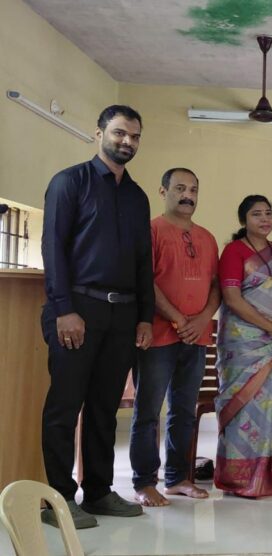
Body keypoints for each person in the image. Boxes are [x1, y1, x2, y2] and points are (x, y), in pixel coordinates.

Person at [40, 105, 154, 529]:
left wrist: (145, 316)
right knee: (65, 406)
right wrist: (64, 309)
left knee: (105, 408)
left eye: (135, 136)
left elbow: (143, 262)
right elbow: (53, 248)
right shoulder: (70, 182)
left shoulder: (137, 196)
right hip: (78, 309)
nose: (127, 141)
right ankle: (57, 499)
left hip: (123, 314)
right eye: (120, 133)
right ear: (99, 133)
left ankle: (100, 491)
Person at [129, 168, 220, 507]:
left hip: (196, 337)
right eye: (180, 188)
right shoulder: (151, 231)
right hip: (157, 335)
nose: (188, 195)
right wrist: (178, 318)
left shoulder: (207, 237)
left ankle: (177, 478)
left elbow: (215, 286)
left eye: (193, 190)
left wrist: (203, 318)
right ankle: (144, 481)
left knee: (184, 411)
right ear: (163, 191)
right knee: (148, 411)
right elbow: (144, 281)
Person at [215, 195, 272, 497]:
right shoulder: (234, 251)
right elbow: (232, 299)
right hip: (243, 345)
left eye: (269, 213)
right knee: (245, 406)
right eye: (257, 214)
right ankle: (242, 478)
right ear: (244, 220)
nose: (265, 219)